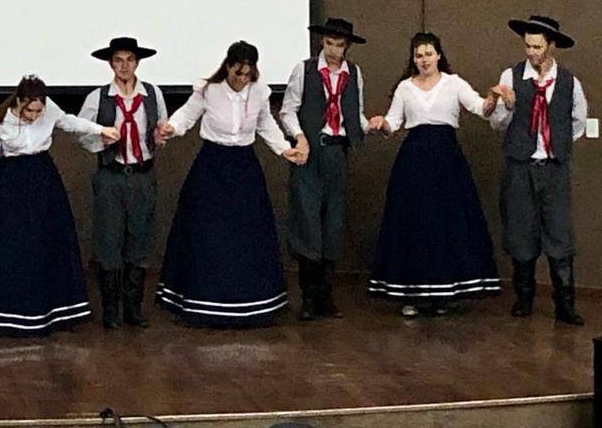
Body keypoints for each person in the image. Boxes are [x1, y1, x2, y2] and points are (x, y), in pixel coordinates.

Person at [155, 41, 305, 327]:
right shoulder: (209, 91)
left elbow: (265, 124)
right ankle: (203, 300)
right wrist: (171, 128)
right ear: (228, 67)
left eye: (248, 74)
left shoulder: (260, 92)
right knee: (208, 232)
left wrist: (284, 149)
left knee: (247, 232)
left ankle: (252, 301)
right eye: (238, 73)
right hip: (212, 166)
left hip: (244, 167)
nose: (242, 79)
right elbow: (186, 115)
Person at [0, 75, 120, 336]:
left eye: (38, 112)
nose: (34, 117)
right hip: (11, 182)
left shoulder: (49, 109)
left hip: (42, 178)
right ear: (19, 102)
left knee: (48, 241)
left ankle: (55, 310)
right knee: (12, 245)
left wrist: (100, 130)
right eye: (29, 111)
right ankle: (7, 311)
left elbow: (69, 122)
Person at [367, 32, 501, 317]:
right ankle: (411, 294)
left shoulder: (454, 83)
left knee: (446, 222)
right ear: (413, 59)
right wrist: (381, 124)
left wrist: (494, 98)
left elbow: (481, 108)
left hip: (446, 161)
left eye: (429, 54)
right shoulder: (405, 87)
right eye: (419, 55)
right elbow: (393, 122)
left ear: (439, 55)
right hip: (413, 162)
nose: (424, 60)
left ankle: (443, 294)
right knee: (414, 223)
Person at [488, 15, 588, 325]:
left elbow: (578, 121)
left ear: (551, 46)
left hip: (553, 168)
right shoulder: (512, 76)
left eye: (538, 47)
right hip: (521, 166)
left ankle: (565, 304)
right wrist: (508, 106)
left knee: (559, 234)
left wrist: (557, 144)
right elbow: (497, 124)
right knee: (521, 232)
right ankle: (524, 298)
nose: (531, 52)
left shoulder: (569, 81)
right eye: (528, 46)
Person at [280, 18, 368, 321]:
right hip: (310, 152)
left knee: (333, 223)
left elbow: (354, 114)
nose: (333, 50)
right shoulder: (304, 70)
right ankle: (308, 296)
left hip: (337, 152)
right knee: (307, 222)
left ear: (347, 47)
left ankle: (326, 296)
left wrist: (372, 125)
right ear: (322, 42)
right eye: (329, 43)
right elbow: (288, 110)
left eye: (339, 45)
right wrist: (299, 137)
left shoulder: (353, 73)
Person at [77, 37, 169, 329]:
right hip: (111, 175)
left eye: (129, 60)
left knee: (139, 240)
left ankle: (133, 308)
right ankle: (111, 309)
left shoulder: (152, 94)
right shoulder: (98, 97)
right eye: (118, 60)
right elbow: (81, 131)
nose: (124, 66)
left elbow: (161, 126)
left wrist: (160, 137)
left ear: (137, 63)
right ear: (110, 64)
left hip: (142, 175)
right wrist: (100, 140)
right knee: (109, 240)